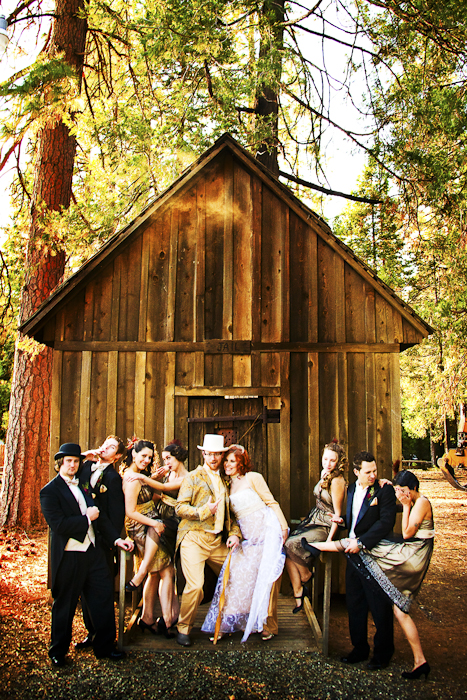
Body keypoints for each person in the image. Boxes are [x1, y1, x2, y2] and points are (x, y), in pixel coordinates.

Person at [302, 469, 434, 679]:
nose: (400, 494)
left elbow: (405, 532)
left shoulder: (418, 501)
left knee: (375, 575)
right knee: (383, 607)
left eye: (404, 490)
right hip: (385, 553)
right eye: (399, 490)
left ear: (414, 489)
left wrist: (406, 504)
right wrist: (342, 520)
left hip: (409, 553)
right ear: (357, 471)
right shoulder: (356, 488)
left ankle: (315, 546)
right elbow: (359, 516)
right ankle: (415, 660)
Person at [300, 450, 396, 670]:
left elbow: (385, 523)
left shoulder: (383, 491)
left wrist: (362, 543)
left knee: (379, 606)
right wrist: (338, 521)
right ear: (356, 471)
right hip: (351, 555)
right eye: (368, 471)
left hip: (374, 555)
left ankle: (382, 655)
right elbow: (351, 521)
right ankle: (359, 649)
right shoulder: (351, 489)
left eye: (375, 471)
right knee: (355, 604)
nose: (373, 475)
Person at [40, 443, 125, 666]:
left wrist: (115, 539)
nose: (73, 465)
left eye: (76, 461)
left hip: (93, 551)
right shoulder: (49, 491)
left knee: (103, 597)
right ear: (60, 463)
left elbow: (101, 517)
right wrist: (87, 518)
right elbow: (59, 525)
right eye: (68, 461)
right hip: (70, 555)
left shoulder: (83, 485)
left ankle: (105, 647)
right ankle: (58, 651)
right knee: (65, 604)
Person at [201, 444, 288, 642]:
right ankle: (226, 623)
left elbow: (271, 502)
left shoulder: (253, 478)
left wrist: (283, 527)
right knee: (236, 579)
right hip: (249, 539)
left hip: (267, 532)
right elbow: (231, 519)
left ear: (241, 462)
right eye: (226, 461)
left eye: (233, 461)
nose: (228, 465)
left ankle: (268, 625)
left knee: (268, 580)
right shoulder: (225, 485)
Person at [174, 434, 241, 647]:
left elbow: (232, 513)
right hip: (194, 538)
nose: (213, 458)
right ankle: (183, 629)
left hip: (216, 541)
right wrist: (204, 510)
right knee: (195, 586)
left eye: (217, 454)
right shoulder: (193, 477)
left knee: (239, 574)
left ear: (222, 456)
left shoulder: (225, 479)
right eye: (209, 453)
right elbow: (179, 507)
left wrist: (234, 534)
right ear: (203, 454)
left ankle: (229, 623)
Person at [76, 435, 134, 650]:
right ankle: (91, 633)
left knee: (101, 590)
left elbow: (115, 514)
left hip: (101, 539)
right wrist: (84, 456)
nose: (104, 448)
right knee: (84, 588)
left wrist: (114, 539)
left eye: (110, 448)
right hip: (80, 535)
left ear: (117, 456)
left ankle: (105, 640)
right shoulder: (85, 466)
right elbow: (64, 471)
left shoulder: (112, 478)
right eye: (104, 444)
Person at [122, 439, 178, 637]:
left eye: (149, 457)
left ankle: (147, 618)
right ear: (133, 455)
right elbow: (130, 511)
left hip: (150, 519)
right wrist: (153, 523)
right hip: (140, 524)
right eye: (142, 456)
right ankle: (168, 620)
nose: (146, 460)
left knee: (158, 573)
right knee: (165, 571)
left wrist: (153, 478)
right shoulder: (131, 479)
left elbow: (150, 495)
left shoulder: (140, 476)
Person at [284, 441, 346, 613]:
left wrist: (328, 540)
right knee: (286, 547)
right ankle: (299, 592)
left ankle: (306, 575)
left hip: (326, 525)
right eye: (325, 459)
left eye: (332, 461)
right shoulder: (324, 473)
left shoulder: (337, 481)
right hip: (314, 518)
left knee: (291, 544)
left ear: (338, 461)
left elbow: (337, 515)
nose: (327, 464)